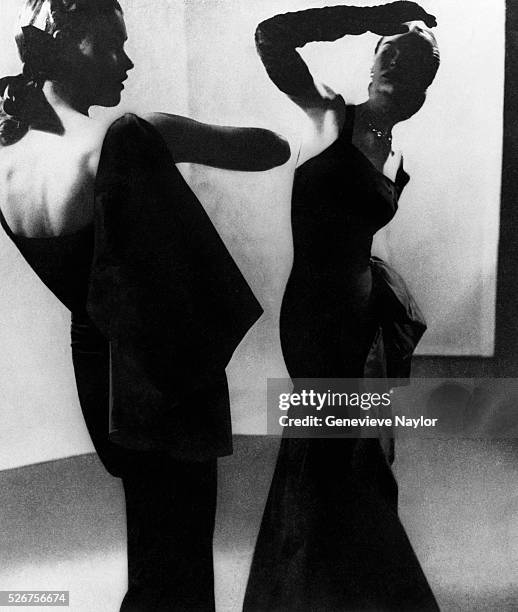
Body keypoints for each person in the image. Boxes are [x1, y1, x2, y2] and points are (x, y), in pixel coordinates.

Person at [0, 1, 290, 610]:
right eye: (111, 44)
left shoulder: (3, 157)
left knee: (154, 546)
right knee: (180, 556)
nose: (126, 61)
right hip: (159, 373)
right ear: (69, 42)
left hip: (96, 371)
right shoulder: (124, 138)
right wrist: (170, 138)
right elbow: (271, 149)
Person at [243, 2, 441, 610]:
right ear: (374, 55)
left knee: (350, 452)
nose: (397, 62)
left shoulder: (396, 155)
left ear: (423, 87)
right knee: (321, 448)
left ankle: (344, 583)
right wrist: (371, 13)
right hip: (314, 314)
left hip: (362, 311)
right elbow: (271, 37)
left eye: (415, 62)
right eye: (390, 49)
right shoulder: (329, 113)